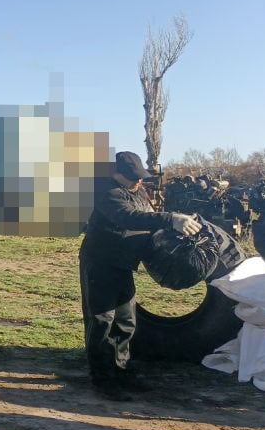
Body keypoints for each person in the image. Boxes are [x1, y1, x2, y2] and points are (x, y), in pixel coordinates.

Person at [79, 151, 202, 401]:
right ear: (116, 174)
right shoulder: (106, 191)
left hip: (123, 262)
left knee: (126, 319)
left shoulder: (138, 190)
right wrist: (170, 219)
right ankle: (102, 377)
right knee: (103, 319)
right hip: (101, 262)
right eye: (132, 178)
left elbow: (147, 214)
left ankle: (121, 369)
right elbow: (128, 217)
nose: (138, 182)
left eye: (139, 177)